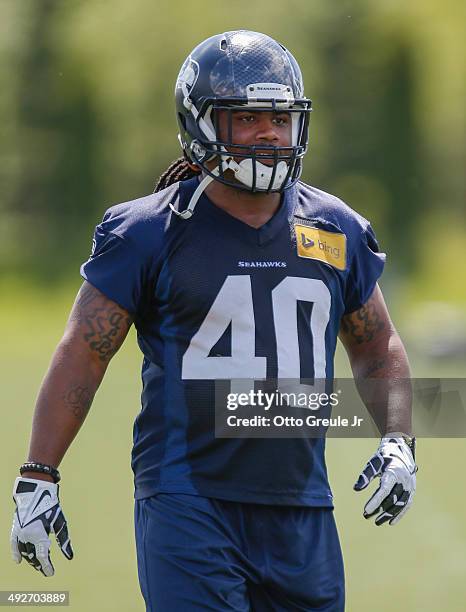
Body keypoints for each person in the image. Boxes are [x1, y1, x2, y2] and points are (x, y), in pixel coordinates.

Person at [10, 30, 417, 611]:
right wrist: (38, 474)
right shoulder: (149, 231)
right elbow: (85, 352)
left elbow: (377, 344)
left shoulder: (335, 228)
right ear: (200, 125)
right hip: (188, 501)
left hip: (302, 504)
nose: (268, 133)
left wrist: (400, 437)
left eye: (279, 117)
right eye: (245, 118)